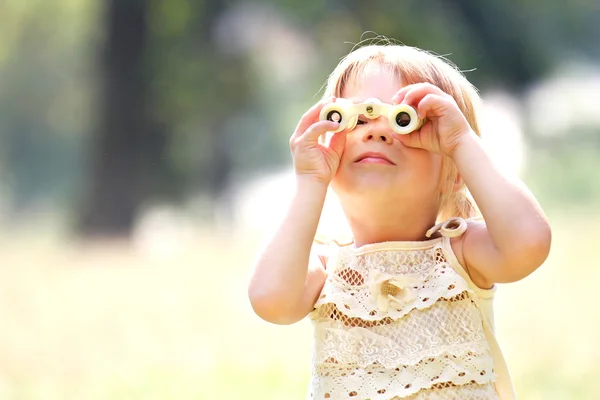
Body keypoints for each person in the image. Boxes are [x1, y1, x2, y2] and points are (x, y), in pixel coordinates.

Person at [248, 43, 551, 399]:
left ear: (455, 172)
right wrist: (310, 181)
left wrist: (460, 140)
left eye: (404, 121)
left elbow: (529, 241)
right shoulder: (324, 269)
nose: (375, 132)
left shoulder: (461, 254)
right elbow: (270, 300)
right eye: (357, 118)